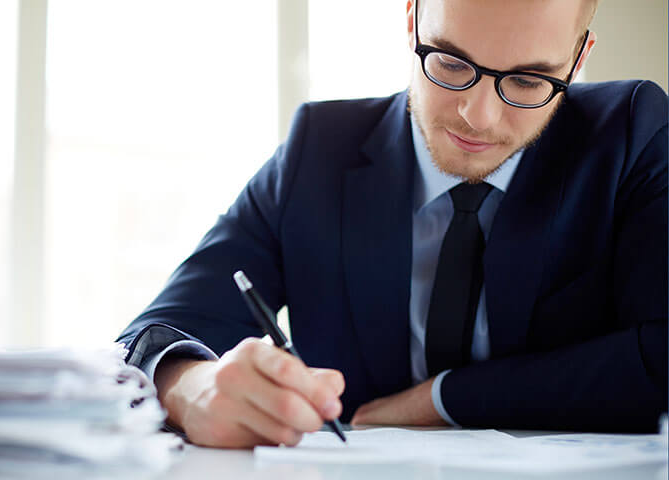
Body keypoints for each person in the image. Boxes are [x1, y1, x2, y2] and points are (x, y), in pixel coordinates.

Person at [117, 0, 668, 448]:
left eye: (527, 81)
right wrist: (192, 389)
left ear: (577, 60)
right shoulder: (319, 149)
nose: (479, 117)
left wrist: (441, 400)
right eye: (451, 63)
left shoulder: (631, 135)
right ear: (411, 19)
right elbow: (151, 335)